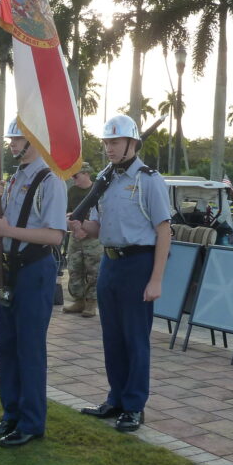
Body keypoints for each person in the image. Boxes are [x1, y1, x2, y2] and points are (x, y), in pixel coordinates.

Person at [69, 114, 171, 433]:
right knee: (112, 338)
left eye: (115, 142)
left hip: (138, 264)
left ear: (132, 143)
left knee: (135, 339)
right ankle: (116, 398)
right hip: (109, 262)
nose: (109, 148)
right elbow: (101, 227)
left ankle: (134, 406)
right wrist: (82, 228)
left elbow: (164, 230)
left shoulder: (149, 179)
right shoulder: (105, 178)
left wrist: (156, 279)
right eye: (107, 143)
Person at [0, 119, 67, 448]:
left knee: (29, 347)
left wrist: (8, 232)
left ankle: (31, 421)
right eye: (13, 139)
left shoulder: (51, 179)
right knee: (8, 345)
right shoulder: (15, 178)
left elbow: (54, 234)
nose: (13, 144)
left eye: (19, 139)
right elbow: (0, 225)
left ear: (35, 140)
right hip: (11, 268)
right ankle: (11, 414)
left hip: (34, 267)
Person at [63, 163, 103, 317]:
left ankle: (91, 302)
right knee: (74, 268)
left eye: (76, 175)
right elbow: (66, 213)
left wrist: (86, 229)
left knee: (94, 270)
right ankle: (79, 300)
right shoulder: (72, 191)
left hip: (93, 237)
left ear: (86, 174)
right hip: (75, 235)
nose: (73, 179)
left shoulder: (97, 191)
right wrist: (76, 229)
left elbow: (100, 215)